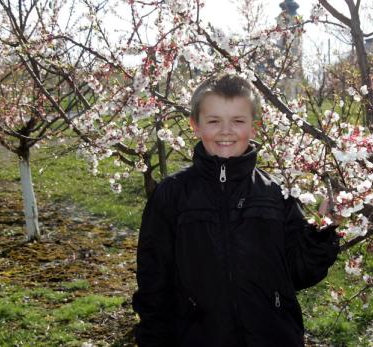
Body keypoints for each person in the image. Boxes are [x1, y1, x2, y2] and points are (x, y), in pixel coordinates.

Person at [132, 74, 341, 347]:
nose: (226, 131)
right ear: (195, 126)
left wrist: (320, 234)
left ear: (254, 128)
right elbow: (153, 282)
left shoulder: (277, 194)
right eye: (214, 120)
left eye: (238, 121)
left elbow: (300, 274)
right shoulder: (171, 196)